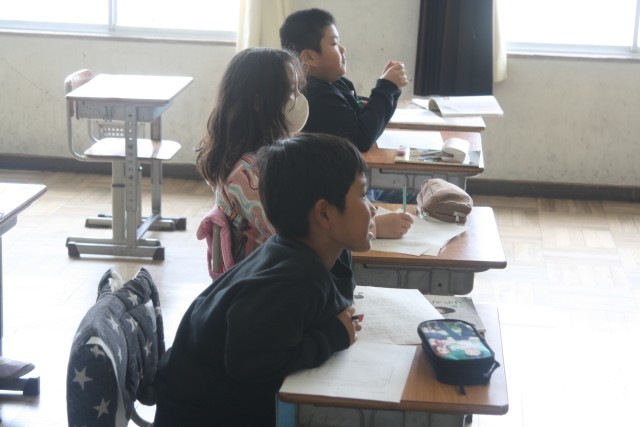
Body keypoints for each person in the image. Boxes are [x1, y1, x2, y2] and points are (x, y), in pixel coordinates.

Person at [153, 133, 374, 426]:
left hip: (204, 402)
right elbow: (250, 362)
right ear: (324, 214)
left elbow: (331, 302)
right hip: (199, 415)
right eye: (363, 194)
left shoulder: (292, 251)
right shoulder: (294, 280)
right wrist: (331, 337)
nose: (372, 208)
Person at [195, 47, 409, 279]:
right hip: (271, 284)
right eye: (291, 91)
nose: (300, 99)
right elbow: (301, 238)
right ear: (258, 103)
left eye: (299, 89)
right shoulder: (246, 175)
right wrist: (373, 226)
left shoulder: (277, 152)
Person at [280, 8, 415, 207]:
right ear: (308, 58)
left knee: (420, 196)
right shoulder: (315, 96)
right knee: (417, 200)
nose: (343, 49)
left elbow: (367, 117)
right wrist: (386, 87)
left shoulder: (336, 83)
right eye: (334, 43)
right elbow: (362, 138)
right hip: (337, 197)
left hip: (353, 184)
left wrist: (389, 88)